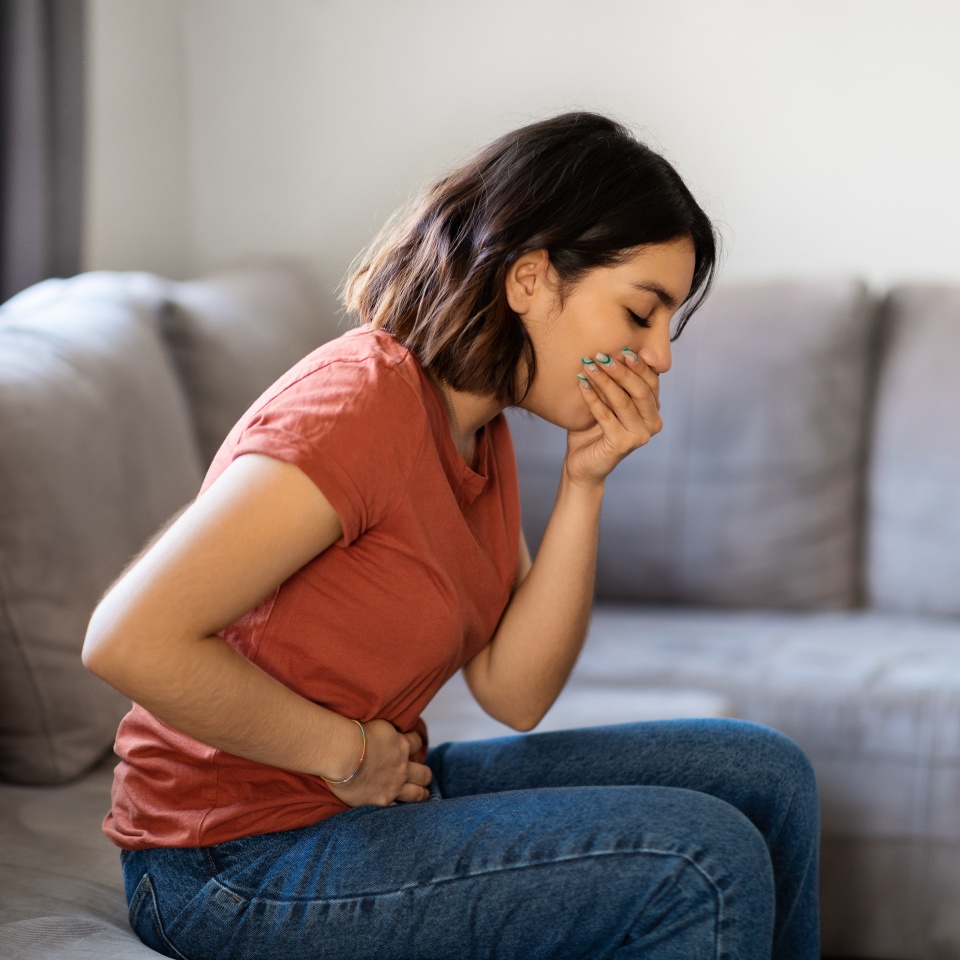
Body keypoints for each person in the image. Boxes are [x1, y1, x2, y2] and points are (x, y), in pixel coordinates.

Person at [82, 111, 820, 960]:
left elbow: (515, 691)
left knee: (768, 776)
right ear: (532, 280)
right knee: (699, 859)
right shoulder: (358, 405)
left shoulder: (480, 430)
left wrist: (584, 482)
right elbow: (130, 637)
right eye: (641, 313)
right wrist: (348, 752)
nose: (659, 357)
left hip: (368, 802)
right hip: (227, 861)